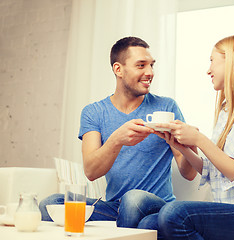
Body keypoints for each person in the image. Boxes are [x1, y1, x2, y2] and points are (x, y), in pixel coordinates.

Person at [39, 36, 197, 228]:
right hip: (115, 207)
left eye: (151, 65)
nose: (150, 72)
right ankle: (125, 222)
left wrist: (190, 144)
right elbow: (91, 171)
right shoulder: (94, 112)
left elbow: (188, 174)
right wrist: (117, 139)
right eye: (141, 65)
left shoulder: (166, 107)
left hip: (156, 206)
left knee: (133, 199)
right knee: (50, 203)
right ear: (118, 69)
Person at [153, 35, 234, 240]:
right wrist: (183, 148)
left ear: (232, 62)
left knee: (174, 214)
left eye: (212, 61)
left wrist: (199, 139)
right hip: (230, 210)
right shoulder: (227, 110)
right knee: (148, 224)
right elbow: (215, 172)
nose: (208, 70)